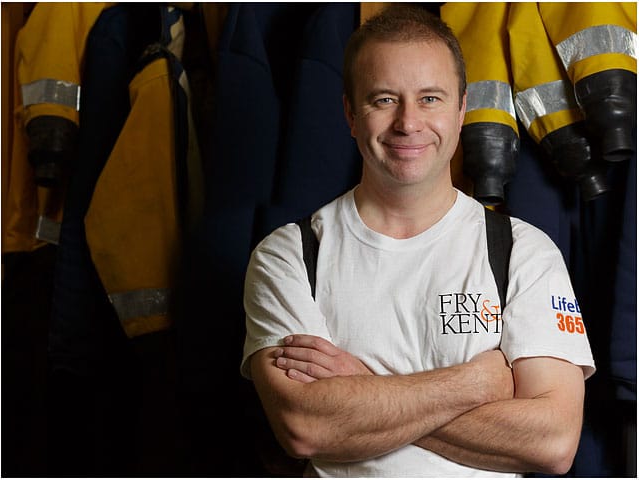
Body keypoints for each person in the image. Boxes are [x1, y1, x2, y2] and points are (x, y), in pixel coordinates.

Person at [240, 4, 596, 477]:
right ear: (350, 113)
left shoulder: (523, 252)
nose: (408, 123)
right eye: (384, 99)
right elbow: (305, 426)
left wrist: (362, 388)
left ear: (461, 108)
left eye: (430, 99)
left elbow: (553, 442)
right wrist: (474, 383)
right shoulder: (288, 255)